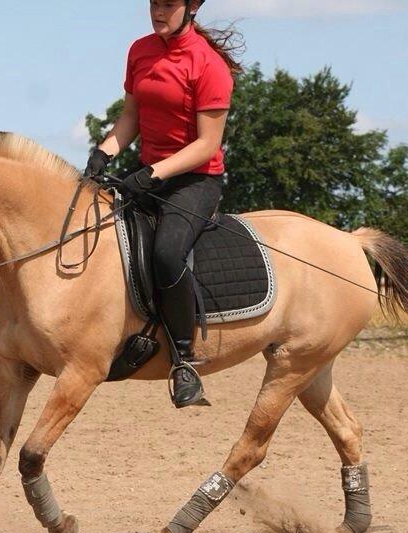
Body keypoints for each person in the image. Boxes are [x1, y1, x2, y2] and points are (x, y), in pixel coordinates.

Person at [85, 0, 242, 408]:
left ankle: (184, 361)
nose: (158, 11)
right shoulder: (140, 50)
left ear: (190, 7)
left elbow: (207, 144)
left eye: (168, 4)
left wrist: (155, 173)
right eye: (154, 3)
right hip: (147, 173)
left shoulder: (208, 65)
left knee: (168, 253)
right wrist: (102, 153)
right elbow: (130, 119)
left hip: (195, 181)